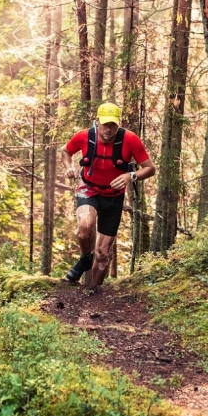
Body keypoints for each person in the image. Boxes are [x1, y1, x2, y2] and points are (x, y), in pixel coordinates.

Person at [61, 102, 155, 290]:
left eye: (112, 125)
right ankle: (85, 258)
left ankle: (94, 293)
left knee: (103, 253)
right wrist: (69, 167)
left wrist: (131, 176)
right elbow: (66, 151)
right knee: (85, 226)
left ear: (118, 124)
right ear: (97, 122)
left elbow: (150, 168)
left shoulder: (130, 139)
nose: (108, 129)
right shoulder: (84, 137)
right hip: (89, 189)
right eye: (105, 124)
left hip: (114, 196)